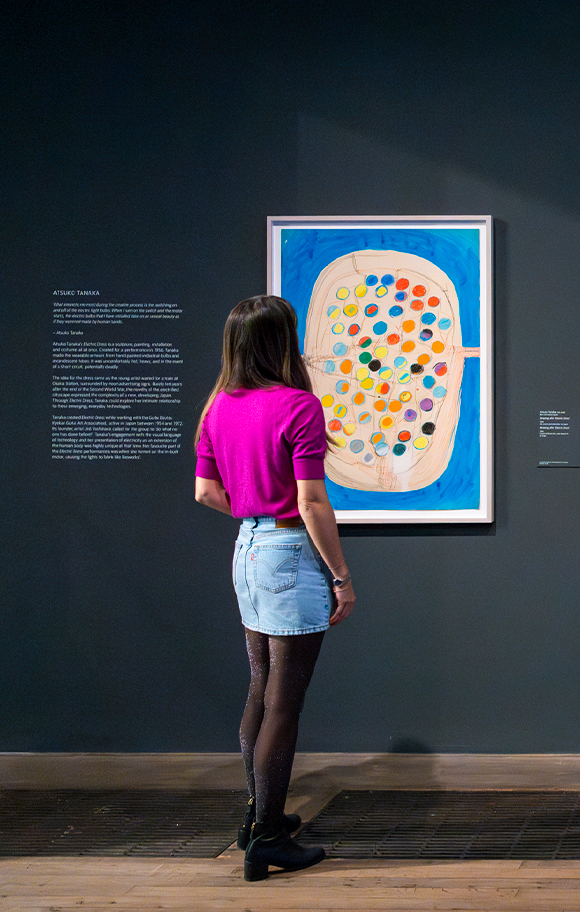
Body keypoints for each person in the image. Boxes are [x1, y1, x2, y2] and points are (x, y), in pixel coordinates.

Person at [193, 295, 356, 881]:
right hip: (289, 551)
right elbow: (313, 502)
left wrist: (255, 511)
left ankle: (258, 816)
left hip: (247, 549)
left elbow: (206, 494)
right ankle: (266, 838)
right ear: (282, 341)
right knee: (285, 702)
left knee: (260, 689)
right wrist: (341, 577)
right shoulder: (298, 406)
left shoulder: (217, 407)